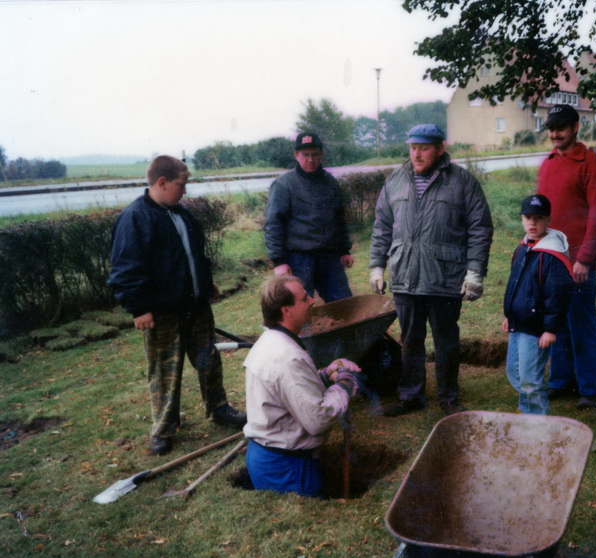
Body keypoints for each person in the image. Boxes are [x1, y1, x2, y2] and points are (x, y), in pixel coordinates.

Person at [109, 155, 246, 456]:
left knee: (209, 360)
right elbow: (124, 270)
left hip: (196, 308)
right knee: (164, 372)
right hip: (161, 313)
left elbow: (196, 254)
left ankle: (219, 408)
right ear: (161, 182)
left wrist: (206, 282)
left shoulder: (181, 214)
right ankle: (163, 429)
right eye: (181, 185)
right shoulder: (135, 218)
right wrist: (138, 308)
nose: (185, 191)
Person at [369, 124, 494, 417]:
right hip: (405, 277)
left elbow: (480, 229)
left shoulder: (462, 182)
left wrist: (474, 273)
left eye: (424, 148)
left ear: (440, 148)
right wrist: (377, 266)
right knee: (410, 340)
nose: (417, 154)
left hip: (444, 278)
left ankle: (448, 398)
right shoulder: (395, 181)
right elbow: (382, 228)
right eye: (413, 147)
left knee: (446, 341)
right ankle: (410, 396)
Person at [243, 275, 360, 497]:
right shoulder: (287, 357)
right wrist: (344, 385)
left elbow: (289, 390)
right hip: (288, 469)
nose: (312, 301)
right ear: (286, 311)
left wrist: (326, 375)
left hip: (272, 458)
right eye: (304, 299)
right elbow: (318, 419)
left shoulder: (271, 341)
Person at [536, 104, 596, 409]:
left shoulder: (591, 164)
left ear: (576, 127)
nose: (555, 134)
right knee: (556, 322)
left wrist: (586, 258)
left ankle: (590, 389)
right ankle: (561, 382)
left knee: (581, 323)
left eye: (561, 128)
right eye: (551, 129)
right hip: (550, 259)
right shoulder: (548, 163)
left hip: (577, 262)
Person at [502, 194, 574, 415]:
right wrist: (509, 315)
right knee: (514, 372)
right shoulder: (523, 248)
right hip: (519, 322)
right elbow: (515, 285)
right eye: (528, 217)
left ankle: (538, 421)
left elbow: (558, 295)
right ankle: (526, 411)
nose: (533, 223)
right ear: (522, 219)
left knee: (530, 379)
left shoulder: (553, 254)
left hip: (536, 327)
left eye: (539, 218)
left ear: (548, 220)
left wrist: (550, 329)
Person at [264, 132, 354, 302]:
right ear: (296, 155)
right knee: (300, 308)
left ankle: (344, 330)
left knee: (344, 304)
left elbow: (339, 219)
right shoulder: (284, 184)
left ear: (322, 154)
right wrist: (279, 261)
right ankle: (306, 330)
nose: (310, 159)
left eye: (315, 154)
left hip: (329, 257)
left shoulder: (330, 182)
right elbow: (273, 224)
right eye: (305, 155)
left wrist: (344, 250)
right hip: (298, 259)